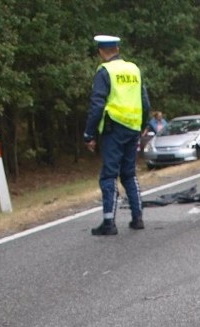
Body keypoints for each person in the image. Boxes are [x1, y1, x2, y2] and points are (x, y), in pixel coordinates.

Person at [83, 35, 150, 236]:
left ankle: (109, 222)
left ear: (101, 52)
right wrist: (144, 124)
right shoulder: (134, 69)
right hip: (133, 127)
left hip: (114, 129)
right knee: (129, 173)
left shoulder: (105, 71)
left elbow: (97, 106)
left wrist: (89, 133)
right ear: (118, 48)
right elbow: (145, 101)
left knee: (109, 175)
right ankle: (137, 218)